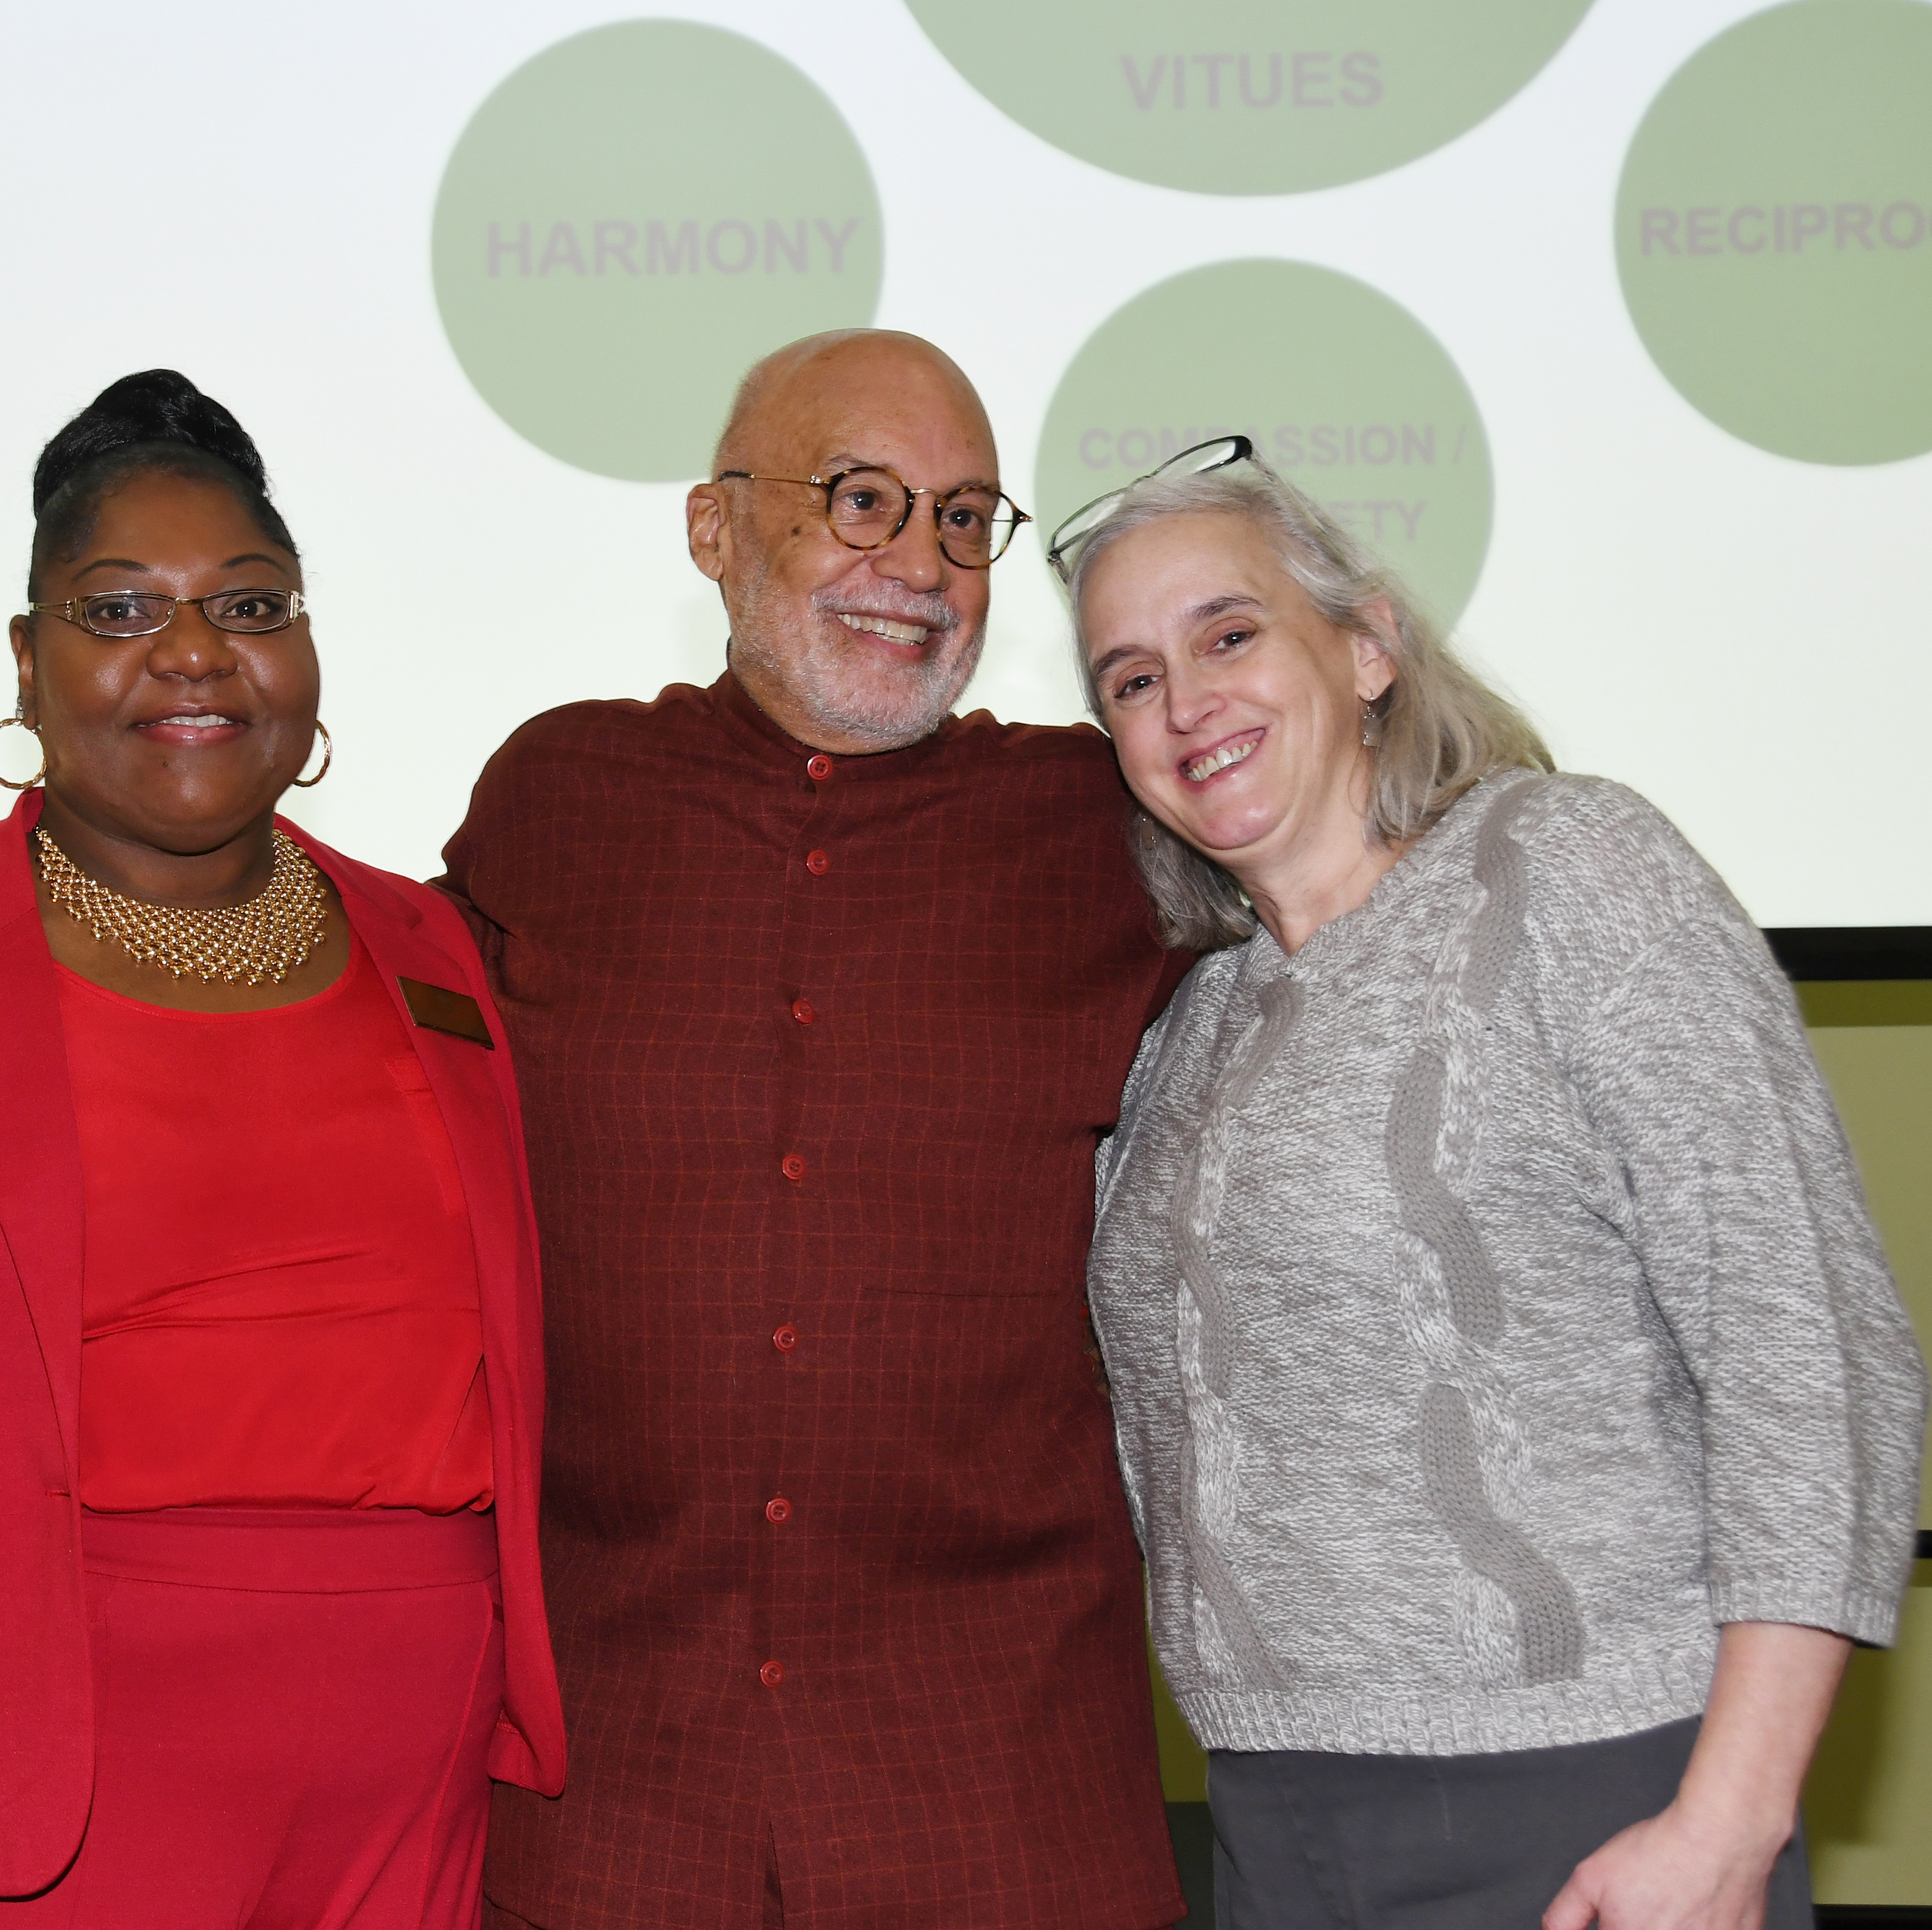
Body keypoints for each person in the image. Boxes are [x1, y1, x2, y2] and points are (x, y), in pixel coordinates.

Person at [0, 369, 566, 1930]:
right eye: (115, 610)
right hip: (24, 1831)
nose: (190, 653)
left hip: (407, 1830)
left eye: (249, 601)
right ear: (23, 667)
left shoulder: (432, 953)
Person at [1058, 440, 1927, 1929]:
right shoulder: (1184, 1031)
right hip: (1273, 1820)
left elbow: (1808, 1346)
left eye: (1226, 633)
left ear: (1365, 642)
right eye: (1128, 679)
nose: (1182, 701)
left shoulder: (1571, 871)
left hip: (1594, 1803)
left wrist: (1727, 1816)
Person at [438, 329, 1192, 1927]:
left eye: (963, 518)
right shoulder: (554, 802)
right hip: (610, 1810)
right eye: (860, 500)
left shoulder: (1109, 830)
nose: (916, 563)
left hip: (999, 1805)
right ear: (713, 532)